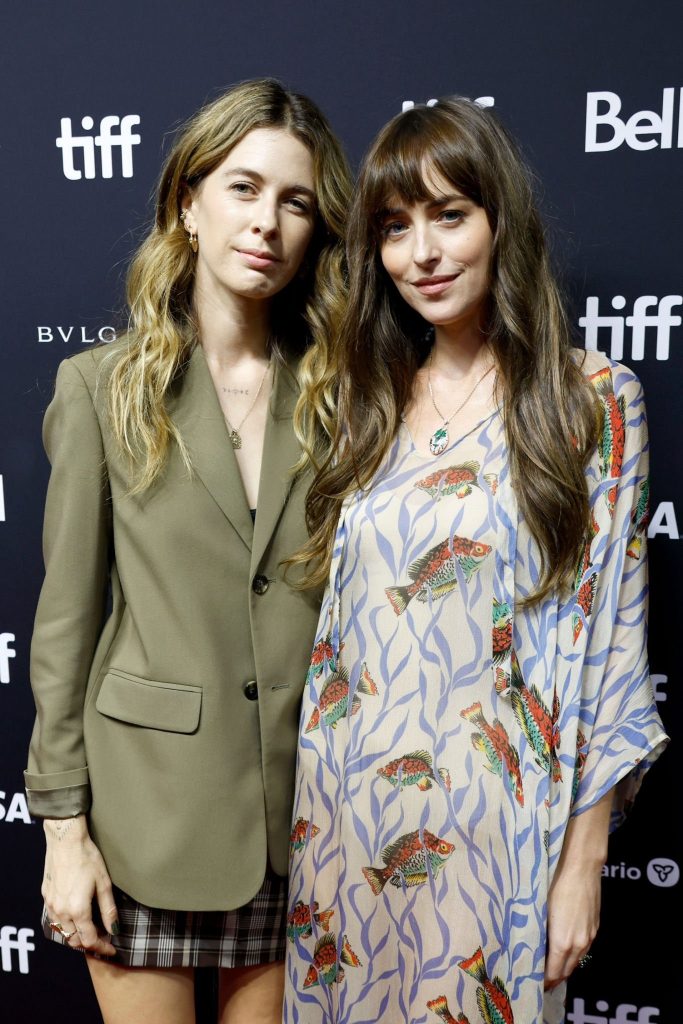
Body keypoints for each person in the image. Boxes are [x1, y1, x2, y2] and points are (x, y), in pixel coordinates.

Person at [283, 98, 668, 1024]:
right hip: (343, 830)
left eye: (449, 215)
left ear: (501, 219)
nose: (422, 253)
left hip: (502, 841)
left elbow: (613, 651)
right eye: (394, 228)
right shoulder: (360, 404)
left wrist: (580, 869)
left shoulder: (590, 401)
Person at [24, 78, 351, 1024]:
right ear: (188, 204)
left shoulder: (344, 397)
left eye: (295, 202)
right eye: (243, 189)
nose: (268, 224)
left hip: (305, 824)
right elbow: (66, 625)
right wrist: (63, 836)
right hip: (145, 821)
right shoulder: (100, 389)